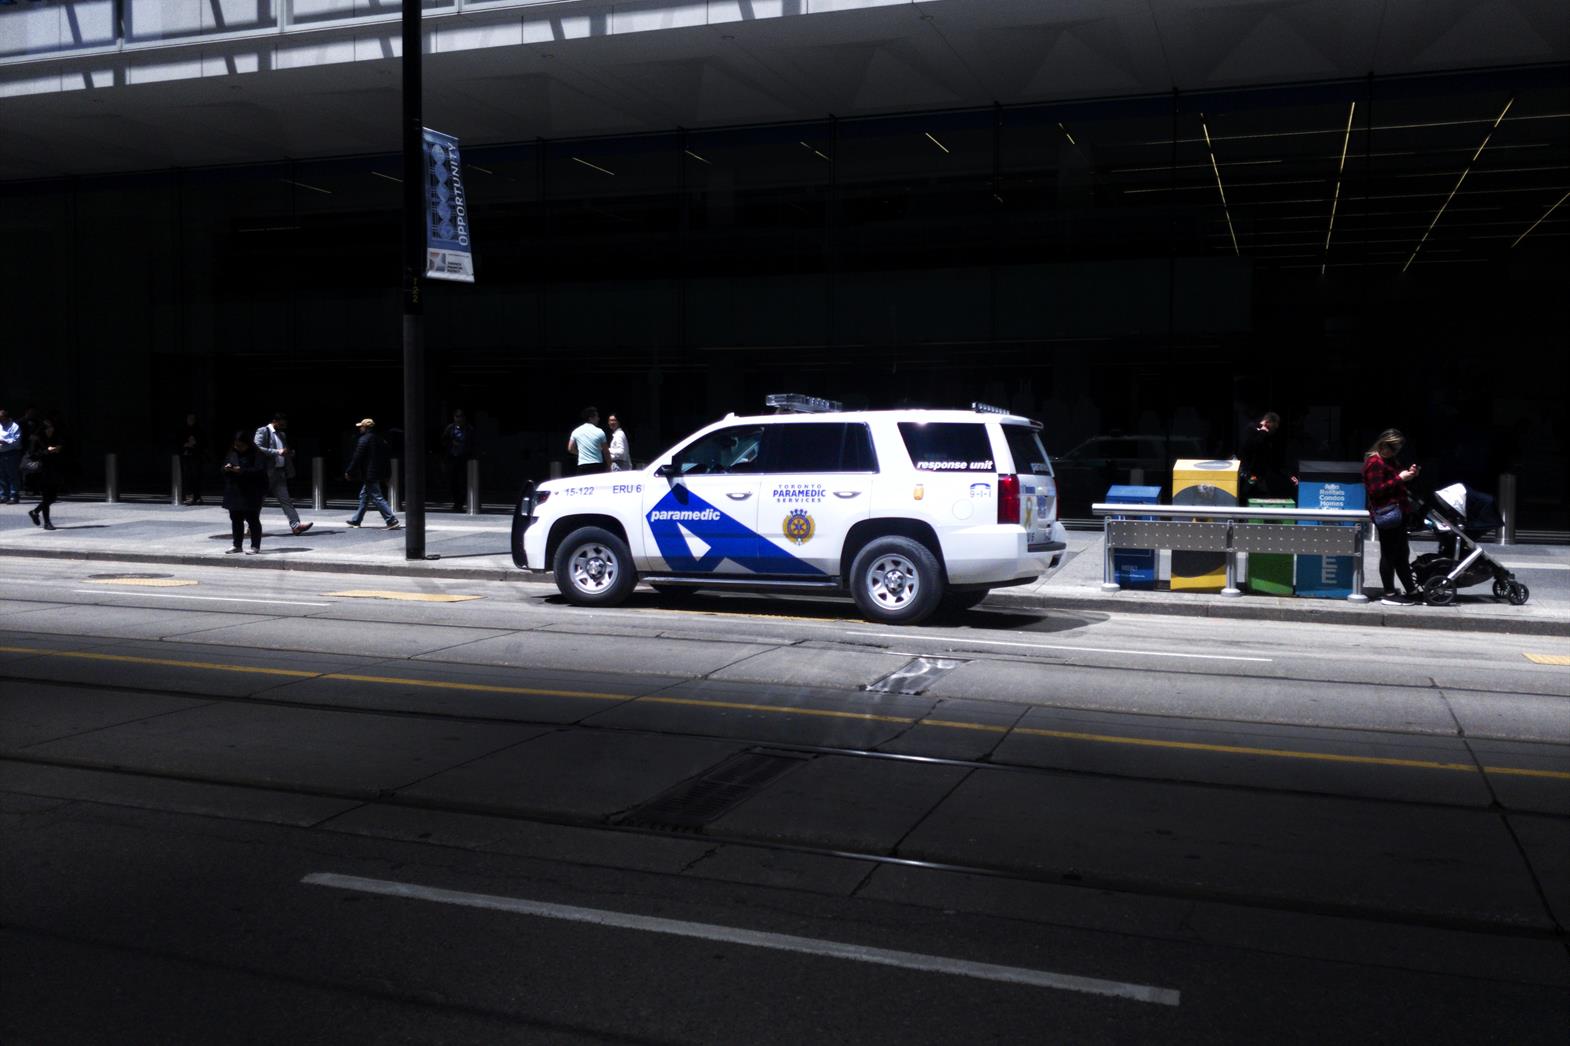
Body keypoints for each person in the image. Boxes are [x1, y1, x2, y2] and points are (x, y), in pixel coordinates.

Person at [1363, 428, 1421, 606]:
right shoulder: (1374, 462)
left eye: (1397, 449)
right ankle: (1388, 593)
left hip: (1399, 511)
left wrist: (1409, 475)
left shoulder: (1388, 460)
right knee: (1389, 554)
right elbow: (1375, 490)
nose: (1394, 452)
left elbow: (1395, 480)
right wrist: (1399, 478)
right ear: (1383, 444)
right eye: (1392, 448)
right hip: (1388, 513)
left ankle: (1411, 590)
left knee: (1402, 553)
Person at [253, 412, 313, 535]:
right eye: (282, 423)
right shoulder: (263, 431)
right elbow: (257, 447)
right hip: (265, 473)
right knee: (258, 500)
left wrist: (288, 453)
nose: (284, 425)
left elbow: (283, 451)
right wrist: (277, 451)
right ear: (275, 421)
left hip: (279, 472)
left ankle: (295, 525)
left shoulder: (282, 434)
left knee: (286, 500)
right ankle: (251, 525)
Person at [343, 418, 400, 530]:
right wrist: (387, 474)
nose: (360, 428)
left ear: (366, 427)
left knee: (377, 497)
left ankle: (391, 520)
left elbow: (357, 457)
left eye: (361, 426)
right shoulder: (380, 439)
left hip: (370, 474)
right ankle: (356, 520)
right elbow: (386, 458)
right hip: (377, 473)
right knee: (364, 496)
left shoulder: (364, 439)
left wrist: (349, 471)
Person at [220, 431, 267, 554]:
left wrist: (241, 470)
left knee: (252, 519)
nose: (238, 448)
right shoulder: (232, 453)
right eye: (236, 445)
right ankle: (237, 545)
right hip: (234, 491)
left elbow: (259, 471)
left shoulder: (256, 454)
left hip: (250, 492)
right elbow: (223, 469)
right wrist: (227, 468)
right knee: (235, 518)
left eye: (241, 445)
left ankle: (255, 546)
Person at [1239, 411, 1297, 499]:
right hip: (1248, 472)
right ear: (1267, 423)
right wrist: (1262, 433)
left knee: (1262, 494)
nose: (1272, 431)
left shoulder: (1268, 437)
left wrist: (1290, 475)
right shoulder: (1251, 429)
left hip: (1259, 475)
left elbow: (1275, 459)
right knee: (1248, 492)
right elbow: (1249, 447)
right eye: (1272, 428)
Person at [25, 417, 66, 531]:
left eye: (52, 427)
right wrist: (47, 451)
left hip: (54, 469)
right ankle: (47, 523)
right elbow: (32, 454)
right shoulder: (36, 438)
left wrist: (58, 449)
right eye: (48, 428)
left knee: (52, 497)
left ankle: (35, 512)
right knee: (46, 496)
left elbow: (62, 447)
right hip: (41, 470)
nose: (51, 430)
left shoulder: (57, 436)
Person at [439, 409, 476, 512]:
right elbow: (443, 441)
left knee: (463, 482)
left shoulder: (469, 429)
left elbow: (473, 443)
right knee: (452, 481)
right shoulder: (450, 428)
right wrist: (451, 443)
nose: (458, 419)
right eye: (457, 417)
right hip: (452, 458)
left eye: (460, 417)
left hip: (464, 459)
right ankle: (456, 502)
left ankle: (461, 502)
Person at [567, 406, 607, 475]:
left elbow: (570, 448)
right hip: (597, 465)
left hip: (582, 465)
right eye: (597, 416)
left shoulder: (576, 431)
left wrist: (582, 453)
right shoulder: (599, 431)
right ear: (591, 418)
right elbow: (606, 451)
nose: (598, 418)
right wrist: (609, 465)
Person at [177, 411, 206, 505]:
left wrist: (195, 444)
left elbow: (203, 443)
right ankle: (188, 495)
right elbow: (178, 441)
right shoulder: (182, 430)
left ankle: (197, 496)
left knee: (196, 476)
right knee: (187, 476)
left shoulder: (199, 430)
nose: (191, 421)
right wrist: (185, 444)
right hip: (185, 456)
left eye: (192, 419)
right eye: (189, 419)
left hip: (196, 456)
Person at [0, 407, 21, 504]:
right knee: (1, 475)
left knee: (12, 475)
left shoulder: (14, 426)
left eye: (1, 417)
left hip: (11, 453)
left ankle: (14, 496)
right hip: (0, 453)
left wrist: (6, 442)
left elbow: (17, 441)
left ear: (6, 417)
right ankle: (3, 495)